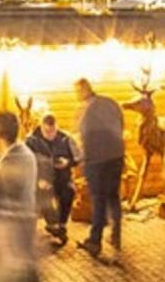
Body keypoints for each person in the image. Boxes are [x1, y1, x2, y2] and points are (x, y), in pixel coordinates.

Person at [74, 78, 125, 259]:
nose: (76, 95)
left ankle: (95, 241)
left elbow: (84, 136)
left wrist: (83, 161)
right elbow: (121, 124)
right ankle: (116, 235)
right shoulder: (111, 103)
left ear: (83, 90)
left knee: (98, 199)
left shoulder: (86, 110)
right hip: (116, 156)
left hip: (96, 161)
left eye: (77, 92)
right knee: (113, 195)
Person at [26, 113, 81, 246]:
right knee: (41, 194)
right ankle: (52, 224)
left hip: (62, 177)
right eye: (47, 131)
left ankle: (61, 224)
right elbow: (25, 161)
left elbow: (78, 158)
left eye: (53, 131)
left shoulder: (66, 139)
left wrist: (67, 163)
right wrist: (38, 178)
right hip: (41, 178)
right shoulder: (31, 141)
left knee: (69, 191)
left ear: (57, 127)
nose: (51, 134)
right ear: (41, 127)